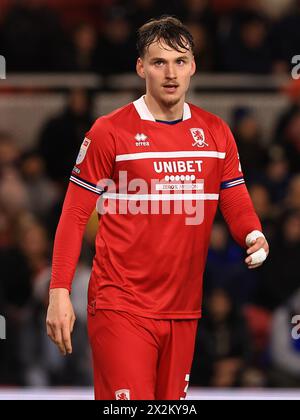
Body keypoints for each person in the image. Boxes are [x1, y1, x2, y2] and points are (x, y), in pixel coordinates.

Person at [46, 16, 269, 400]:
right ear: (140, 67)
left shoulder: (216, 132)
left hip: (184, 308)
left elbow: (233, 195)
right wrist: (59, 292)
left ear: (194, 66)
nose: (170, 73)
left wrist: (253, 232)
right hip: (121, 304)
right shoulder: (109, 132)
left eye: (180, 62)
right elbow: (74, 214)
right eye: (159, 62)